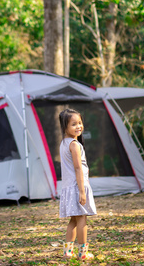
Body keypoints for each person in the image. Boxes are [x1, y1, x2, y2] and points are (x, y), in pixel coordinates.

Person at [58, 108, 97, 260]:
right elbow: (77, 168)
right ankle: (83, 253)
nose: (78, 126)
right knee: (82, 219)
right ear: (64, 128)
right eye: (74, 124)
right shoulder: (74, 145)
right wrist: (82, 191)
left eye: (80, 123)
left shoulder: (63, 143)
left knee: (73, 220)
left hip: (68, 187)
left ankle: (68, 252)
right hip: (77, 186)